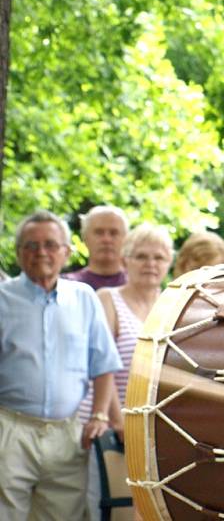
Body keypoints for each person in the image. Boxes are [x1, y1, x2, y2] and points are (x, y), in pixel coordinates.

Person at [0, 210, 122, 520]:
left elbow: (103, 362)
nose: (41, 252)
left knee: (62, 515)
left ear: (66, 252)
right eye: (31, 245)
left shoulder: (84, 298)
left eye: (51, 245)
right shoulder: (2, 299)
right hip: (10, 429)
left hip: (68, 433)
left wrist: (99, 414)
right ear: (18, 253)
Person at [77, 224, 173, 521]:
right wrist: (119, 421)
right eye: (141, 256)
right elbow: (99, 366)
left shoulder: (172, 306)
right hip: (105, 428)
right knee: (104, 510)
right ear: (124, 261)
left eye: (158, 257)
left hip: (148, 432)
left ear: (169, 262)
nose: (150, 264)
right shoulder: (107, 298)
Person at [64, 205, 129, 290]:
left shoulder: (140, 285)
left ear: (126, 238)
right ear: (85, 237)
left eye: (114, 233)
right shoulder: (67, 286)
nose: (106, 239)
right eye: (99, 233)